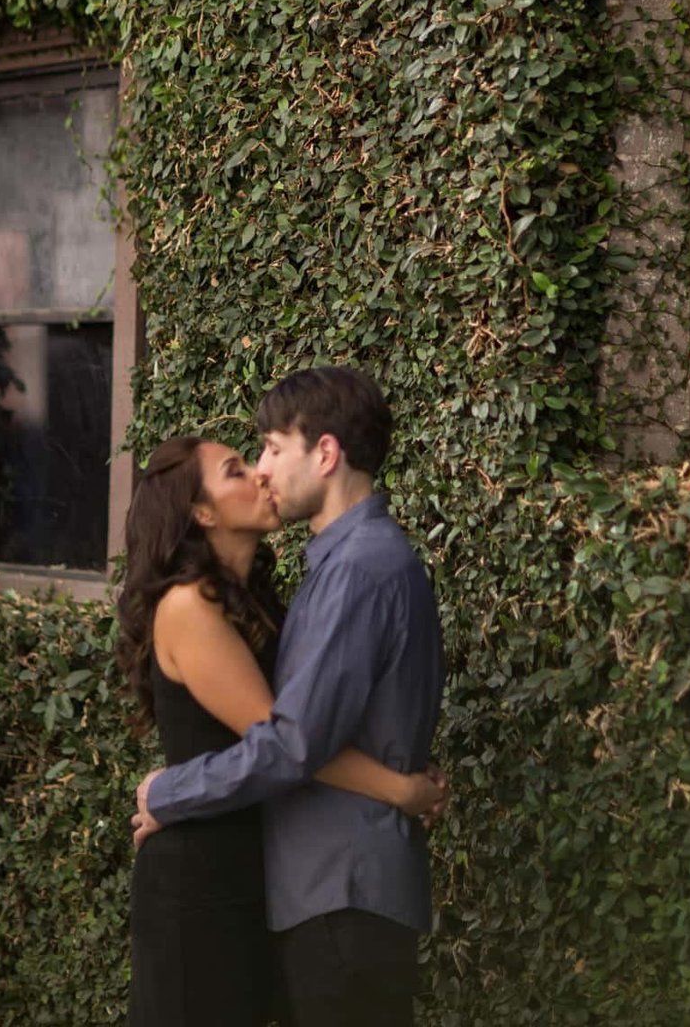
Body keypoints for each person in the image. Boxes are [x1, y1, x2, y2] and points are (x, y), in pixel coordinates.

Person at [132, 367, 446, 1027]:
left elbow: (293, 741)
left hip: (340, 889)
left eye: (270, 449)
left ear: (325, 454)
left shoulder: (356, 569)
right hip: (306, 890)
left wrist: (166, 792)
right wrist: (401, 789)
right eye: (247, 462)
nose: (264, 471)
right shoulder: (325, 572)